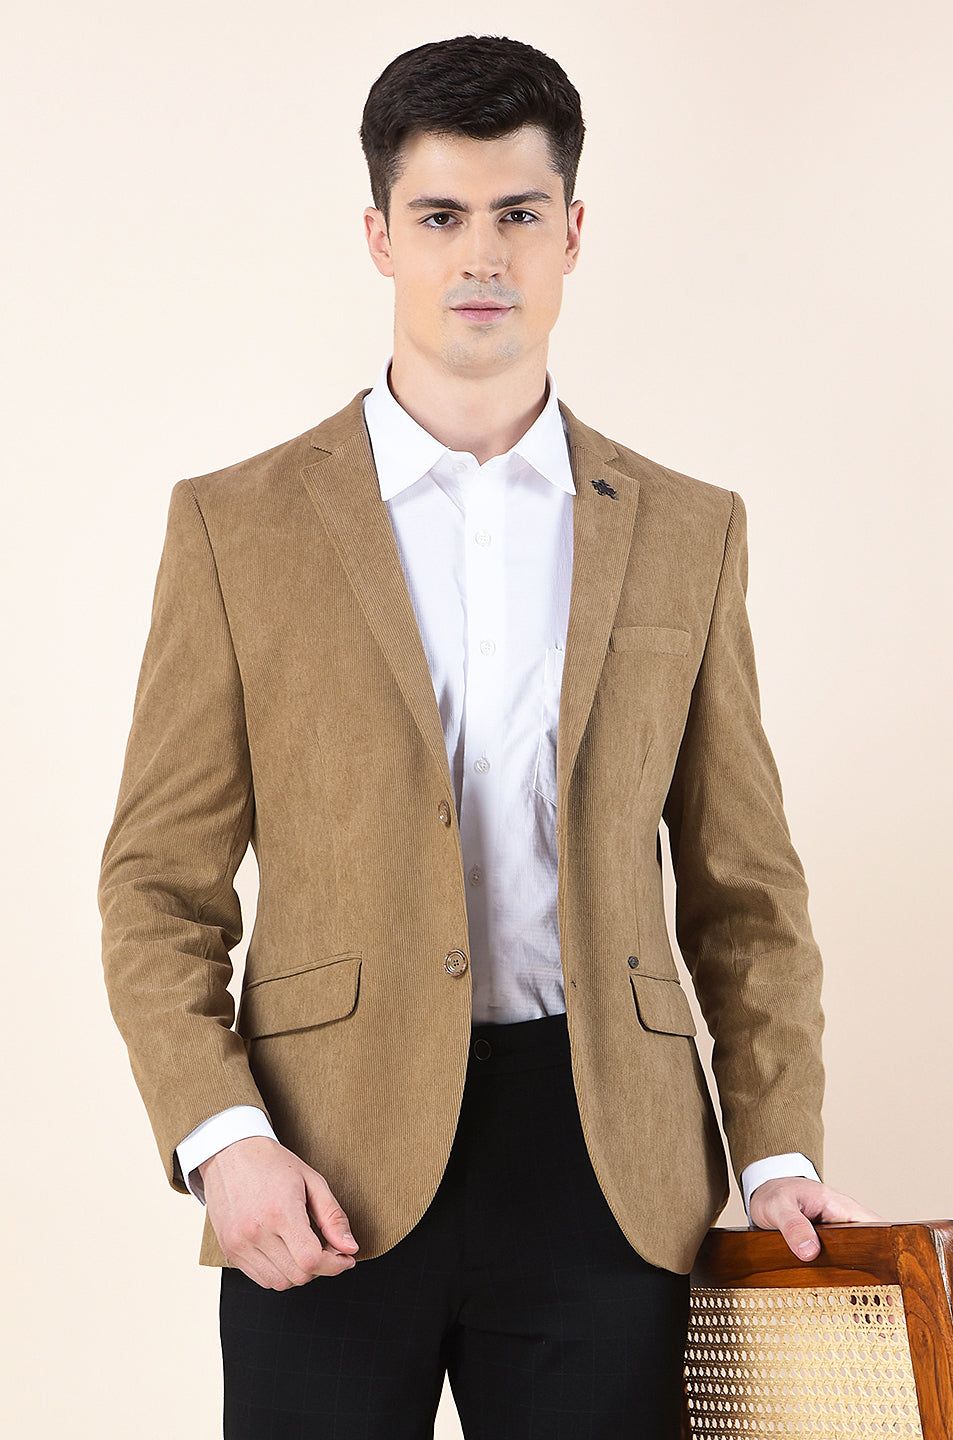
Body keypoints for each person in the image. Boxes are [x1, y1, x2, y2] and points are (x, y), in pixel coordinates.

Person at [100, 34, 877, 1440]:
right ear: (379, 238)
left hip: (605, 1167)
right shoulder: (234, 526)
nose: (481, 255)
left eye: (519, 213)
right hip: (320, 1163)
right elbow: (157, 887)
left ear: (571, 233)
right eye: (440, 215)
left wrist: (777, 1149)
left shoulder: (687, 530)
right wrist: (224, 1142)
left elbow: (747, 890)